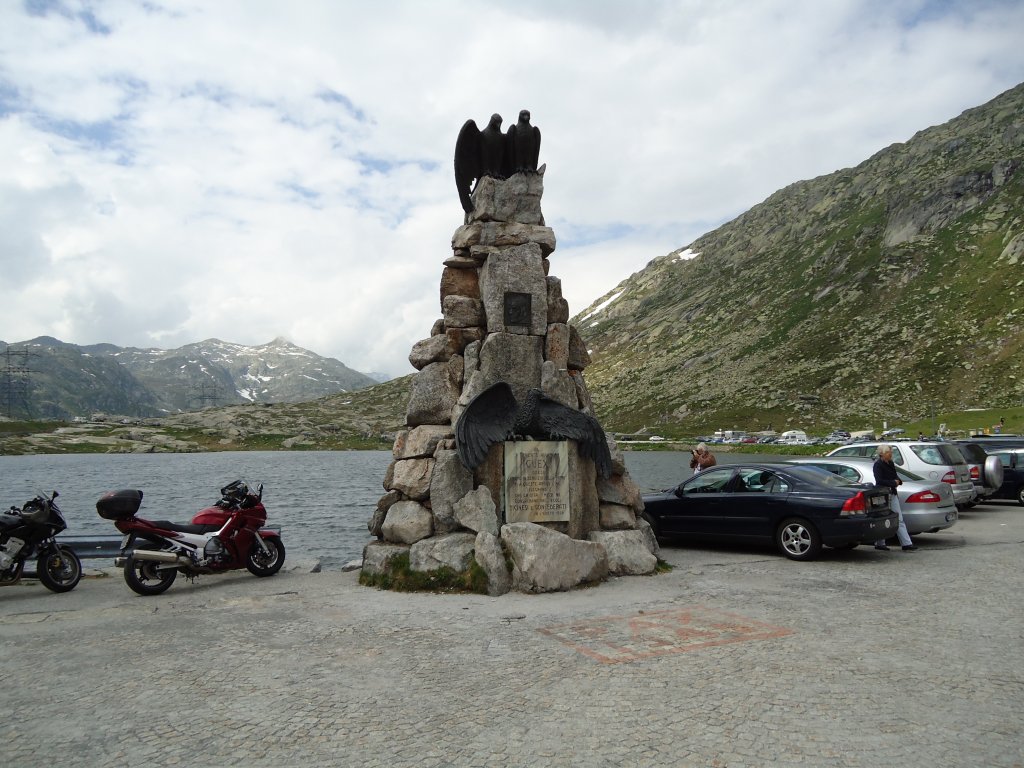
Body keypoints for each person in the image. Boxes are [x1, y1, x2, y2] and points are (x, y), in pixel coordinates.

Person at [873, 444, 917, 552]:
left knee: (899, 518)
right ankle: (880, 542)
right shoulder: (878, 465)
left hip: (892, 493)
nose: (890, 454)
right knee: (882, 518)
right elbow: (879, 481)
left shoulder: (891, 463)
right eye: (888, 452)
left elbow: (895, 475)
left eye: (890, 452)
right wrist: (893, 482)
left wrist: (898, 481)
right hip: (883, 494)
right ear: (882, 454)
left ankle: (906, 543)